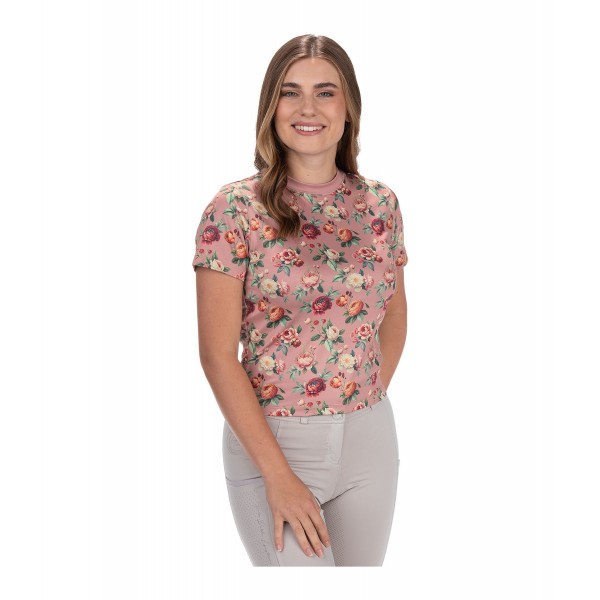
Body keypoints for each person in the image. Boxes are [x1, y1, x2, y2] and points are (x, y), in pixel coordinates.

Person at [192, 34, 408, 566]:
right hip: (274, 444)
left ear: (349, 108)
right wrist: (277, 474)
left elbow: (394, 313)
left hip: (369, 443)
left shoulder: (380, 204)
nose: (307, 108)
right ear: (271, 107)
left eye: (325, 92)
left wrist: (359, 396)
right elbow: (217, 355)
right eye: (290, 92)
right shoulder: (234, 209)